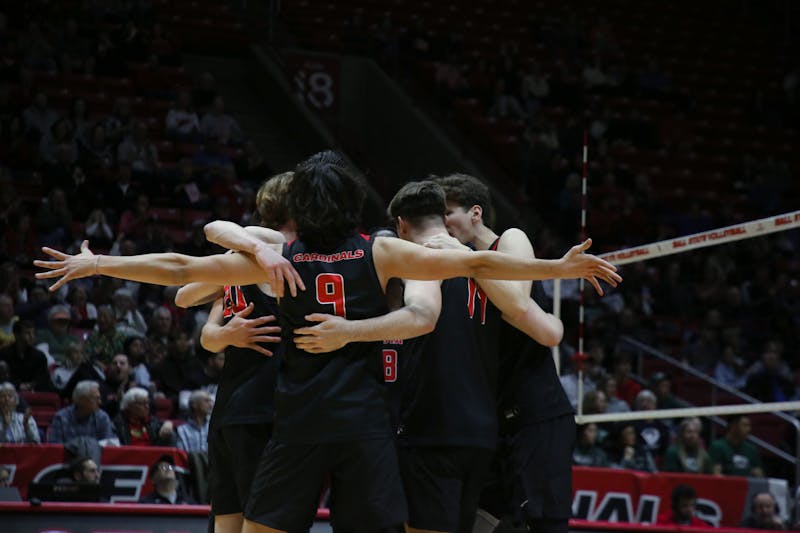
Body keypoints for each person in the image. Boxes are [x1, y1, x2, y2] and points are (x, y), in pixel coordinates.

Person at [34, 151, 620, 533]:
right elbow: (481, 268)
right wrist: (556, 270)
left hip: (299, 424)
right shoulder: (380, 250)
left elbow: (180, 264)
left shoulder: (283, 260)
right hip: (365, 428)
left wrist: (101, 264)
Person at [435, 173, 574, 533]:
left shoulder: (509, 240)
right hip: (490, 419)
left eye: (449, 212)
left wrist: (465, 257)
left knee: (543, 523)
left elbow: (514, 303)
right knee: (480, 520)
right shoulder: (456, 268)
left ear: (476, 212)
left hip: (535, 413)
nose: (442, 223)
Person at [173, 172, 289, 533]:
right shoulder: (273, 250)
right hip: (260, 405)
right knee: (259, 517)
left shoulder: (240, 260)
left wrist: (223, 334)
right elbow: (208, 334)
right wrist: (229, 334)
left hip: (231, 406)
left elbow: (185, 300)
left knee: (228, 516)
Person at [48, 380, 116, 444]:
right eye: (95, 399)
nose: (100, 402)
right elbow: (56, 448)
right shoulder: (61, 418)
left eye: (99, 398)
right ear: (81, 400)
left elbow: (108, 447)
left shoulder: (102, 418)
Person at [0, 320, 53, 392]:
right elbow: (3, 377)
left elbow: (43, 378)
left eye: (33, 333)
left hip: (34, 392)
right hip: (9, 392)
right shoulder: (4, 354)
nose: (32, 336)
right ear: (17, 335)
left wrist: (30, 385)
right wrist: (18, 385)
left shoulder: (39, 356)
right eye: (27, 333)